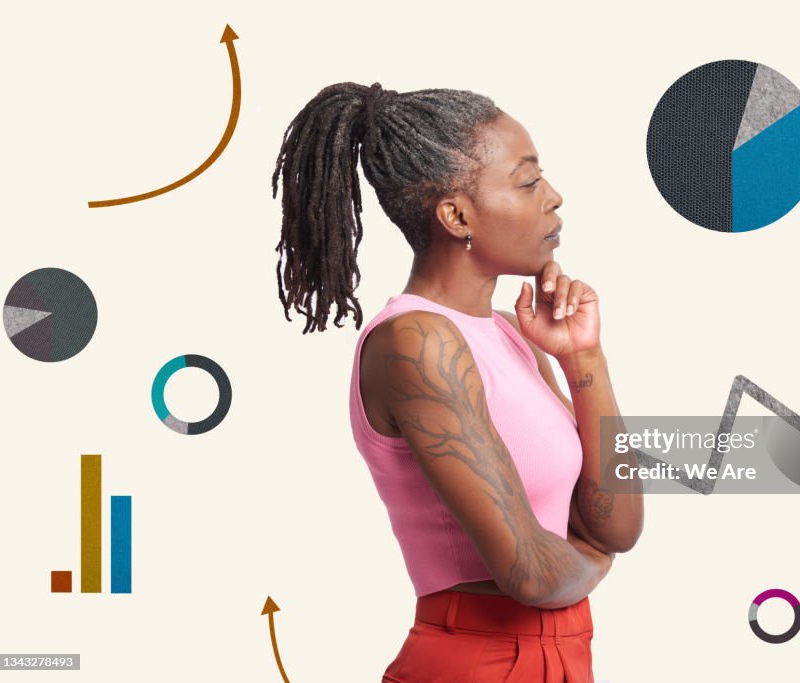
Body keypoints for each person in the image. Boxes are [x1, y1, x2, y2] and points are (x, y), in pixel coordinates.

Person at [272, 82, 643, 682]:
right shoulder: (417, 342)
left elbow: (617, 525)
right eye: (527, 181)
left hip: (566, 658)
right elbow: (534, 573)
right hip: (475, 663)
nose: (554, 198)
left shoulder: (511, 335)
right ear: (456, 215)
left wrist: (584, 359)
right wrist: (596, 562)